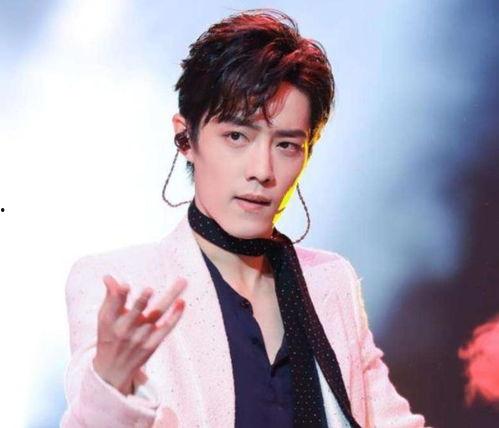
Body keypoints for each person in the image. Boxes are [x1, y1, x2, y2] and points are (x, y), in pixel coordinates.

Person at [61, 9, 428, 428]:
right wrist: (110, 385)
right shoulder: (122, 286)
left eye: (287, 145)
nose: (262, 170)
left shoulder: (330, 282)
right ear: (185, 137)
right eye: (237, 136)